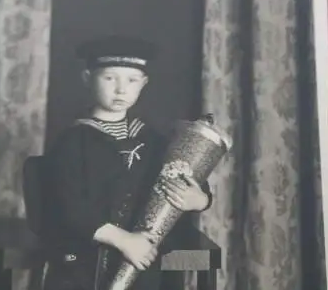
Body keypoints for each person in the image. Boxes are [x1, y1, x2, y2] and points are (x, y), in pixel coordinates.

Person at [40, 35, 213, 290]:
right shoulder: (72, 142)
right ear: (88, 78)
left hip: (145, 249)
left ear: (144, 84)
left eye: (132, 80)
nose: (121, 89)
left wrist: (200, 199)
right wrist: (122, 240)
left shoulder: (153, 140)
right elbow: (69, 208)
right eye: (110, 78)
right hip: (88, 253)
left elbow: (186, 173)